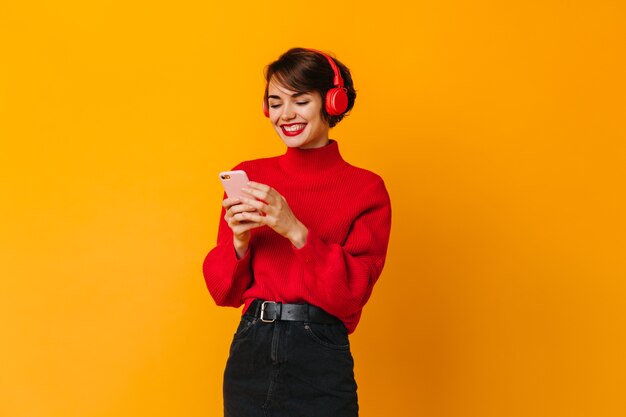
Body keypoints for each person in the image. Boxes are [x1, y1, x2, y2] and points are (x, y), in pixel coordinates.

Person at [203, 47, 392, 417]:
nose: (285, 114)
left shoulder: (366, 189)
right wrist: (239, 242)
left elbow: (352, 294)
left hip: (320, 352)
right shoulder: (251, 177)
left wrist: (295, 230)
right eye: (275, 102)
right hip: (252, 346)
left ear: (333, 102)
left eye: (300, 101)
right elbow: (223, 292)